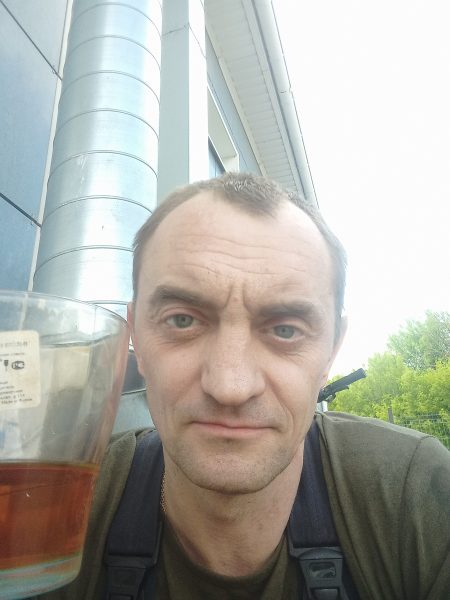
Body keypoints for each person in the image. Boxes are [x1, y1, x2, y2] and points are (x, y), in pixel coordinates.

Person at [41, 172, 450, 600]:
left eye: (286, 330)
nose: (230, 386)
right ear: (136, 338)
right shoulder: (59, 507)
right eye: (182, 320)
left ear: (331, 351)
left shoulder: (412, 496)